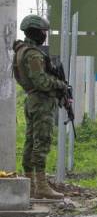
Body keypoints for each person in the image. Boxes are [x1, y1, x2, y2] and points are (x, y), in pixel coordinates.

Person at [12, 15, 67, 200]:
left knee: (30, 141)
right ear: (35, 32)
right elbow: (42, 81)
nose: (45, 35)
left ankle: (30, 184)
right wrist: (60, 85)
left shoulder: (21, 50)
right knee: (41, 142)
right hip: (41, 101)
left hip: (32, 99)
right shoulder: (33, 54)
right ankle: (41, 185)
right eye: (43, 32)